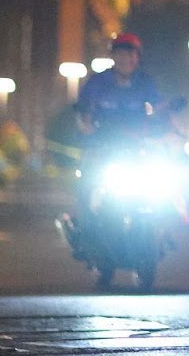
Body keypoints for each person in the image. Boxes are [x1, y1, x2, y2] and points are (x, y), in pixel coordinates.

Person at [61, 32, 168, 249]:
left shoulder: (145, 82)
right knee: (87, 181)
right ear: (113, 57)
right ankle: (85, 230)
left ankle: (160, 231)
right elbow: (84, 109)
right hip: (103, 148)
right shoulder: (98, 81)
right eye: (120, 54)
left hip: (135, 149)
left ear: (137, 58)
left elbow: (159, 108)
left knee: (160, 185)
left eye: (131, 55)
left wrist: (167, 126)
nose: (126, 60)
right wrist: (87, 123)